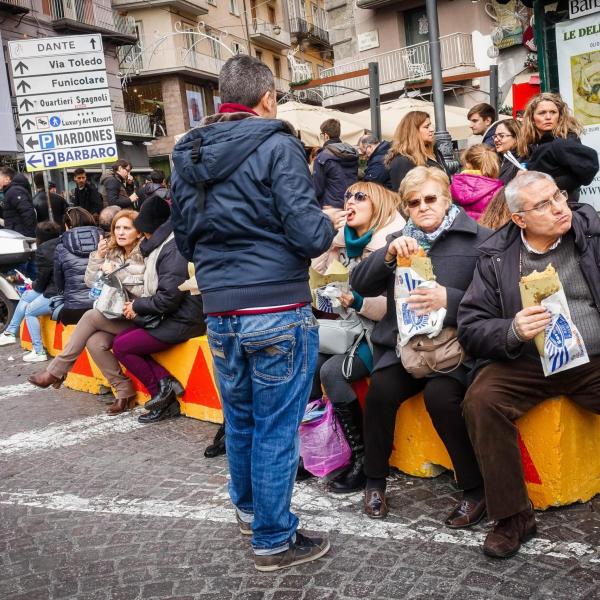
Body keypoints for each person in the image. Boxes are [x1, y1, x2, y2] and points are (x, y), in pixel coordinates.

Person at [170, 54, 335, 571]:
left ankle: (248, 511)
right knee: (275, 427)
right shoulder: (276, 143)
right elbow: (309, 236)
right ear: (267, 99)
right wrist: (328, 225)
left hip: (221, 308)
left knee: (240, 419)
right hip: (276, 304)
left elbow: (184, 239)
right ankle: (274, 538)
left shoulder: (186, 153)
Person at [457, 171, 600, 558]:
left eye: (559, 196)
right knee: (482, 399)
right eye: (544, 205)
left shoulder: (592, 232)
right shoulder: (497, 256)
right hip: (530, 360)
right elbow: (471, 326)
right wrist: (512, 329)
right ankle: (514, 516)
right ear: (519, 218)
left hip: (593, 357)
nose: (559, 208)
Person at [350, 166, 491, 526]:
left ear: (446, 199)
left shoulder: (481, 239)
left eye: (431, 199)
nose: (423, 207)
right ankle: (375, 482)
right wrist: (386, 255)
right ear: (406, 208)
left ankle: (475, 491)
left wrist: (450, 299)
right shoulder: (397, 241)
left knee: (441, 398)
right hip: (407, 347)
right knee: (381, 390)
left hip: (455, 348)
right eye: (414, 202)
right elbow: (360, 285)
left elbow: (496, 301)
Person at [310, 182, 405, 493]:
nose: (350, 201)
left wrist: (360, 303)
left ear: (377, 205)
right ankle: (321, 448)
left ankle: (364, 458)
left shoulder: (388, 246)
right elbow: (317, 271)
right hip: (349, 329)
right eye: (348, 196)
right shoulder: (345, 241)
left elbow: (395, 306)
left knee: (330, 371)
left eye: (360, 196)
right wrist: (328, 238)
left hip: (382, 335)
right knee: (309, 358)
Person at [28, 210, 145, 415]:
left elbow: (146, 290)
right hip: (116, 313)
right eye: (117, 228)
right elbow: (91, 283)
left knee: (90, 316)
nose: (121, 232)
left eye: (127, 228)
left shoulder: (144, 253)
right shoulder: (113, 252)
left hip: (139, 314)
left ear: (139, 232)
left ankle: (55, 372)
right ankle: (124, 392)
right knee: (95, 342)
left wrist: (119, 274)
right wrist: (98, 257)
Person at [111, 196, 205, 423]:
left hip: (183, 319)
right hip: (171, 315)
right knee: (122, 339)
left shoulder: (172, 250)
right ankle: (165, 385)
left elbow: (169, 298)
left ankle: (161, 397)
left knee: (123, 346)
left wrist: (137, 305)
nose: (142, 234)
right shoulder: (162, 245)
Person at [517, 92, 599, 201]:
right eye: (542, 113)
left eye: (553, 112)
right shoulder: (529, 143)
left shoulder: (566, 140)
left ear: (559, 116)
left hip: (564, 205)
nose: (548, 117)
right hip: (537, 207)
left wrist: (546, 183)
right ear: (532, 118)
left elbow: (582, 174)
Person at [0, 221, 61, 361]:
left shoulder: (44, 251)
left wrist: (32, 284)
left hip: (57, 292)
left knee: (30, 310)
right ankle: (9, 333)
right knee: (27, 295)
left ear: (39, 237)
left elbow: (41, 284)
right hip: (56, 288)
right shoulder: (61, 245)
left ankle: (38, 351)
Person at [54, 207, 102, 325]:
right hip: (102, 306)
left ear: (67, 225)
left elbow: (59, 283)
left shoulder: (61, 248)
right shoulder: (105, 241)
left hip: (74, 309)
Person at [384, 111, 449, 192]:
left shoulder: (435, 152)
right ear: (413, 131)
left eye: (431, 125)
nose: (432, 129)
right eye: (426, 127)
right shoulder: (402, 161)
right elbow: (404, 195)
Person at [313, 118, 359, 209]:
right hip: (351, 203)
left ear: (326, 135)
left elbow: (317, 189)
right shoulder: (352, 153)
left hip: (330, 208)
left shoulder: (322, 157)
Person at [450, 144, 503, 221]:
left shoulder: (453, 188)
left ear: (468, 165)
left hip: (462, 230)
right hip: (488, 230)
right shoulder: (498, 190)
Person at [0, 167, 36, 237]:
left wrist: (29, 234)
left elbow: (27, 212)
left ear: (7, 179)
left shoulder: (14, 191)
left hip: (21, 234)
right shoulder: (12, 190)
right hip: (18, 232)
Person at [493, 119, 522, 185]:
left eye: (501, 136)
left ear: (516, 137)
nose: (496, 140)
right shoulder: (495, 159)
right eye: (495, 136)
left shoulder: (521, 162)